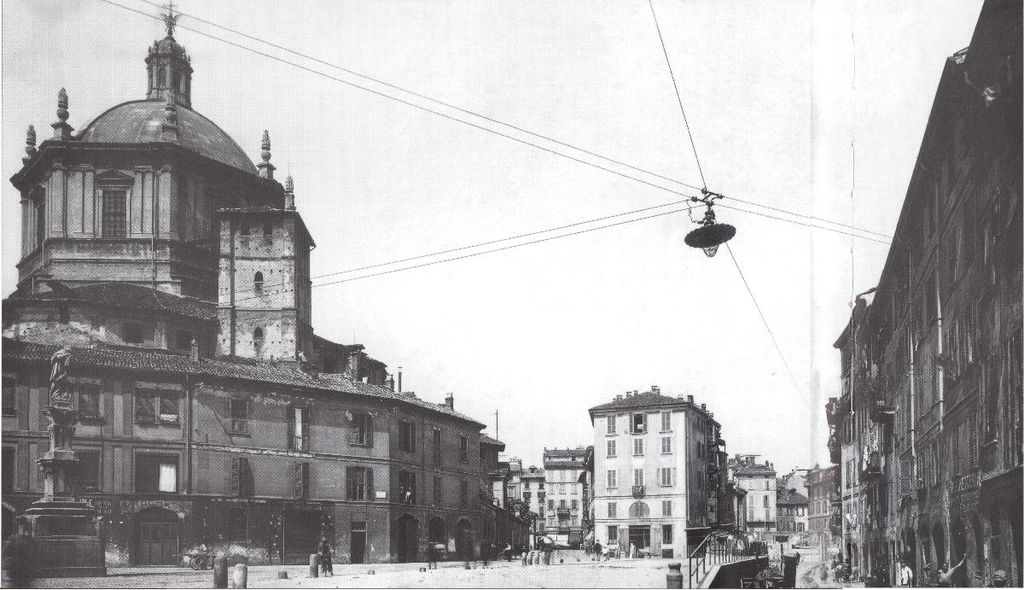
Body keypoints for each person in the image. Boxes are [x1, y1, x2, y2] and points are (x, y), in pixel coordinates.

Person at [1, 519, 34, 589]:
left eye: (24, 527)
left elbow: (33, 555)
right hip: (15, 570)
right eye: (21, 527)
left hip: (25, 571)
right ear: (18, 528)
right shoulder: (13, 538)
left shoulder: (30, 540)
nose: (23, 529)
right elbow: (4, 552)